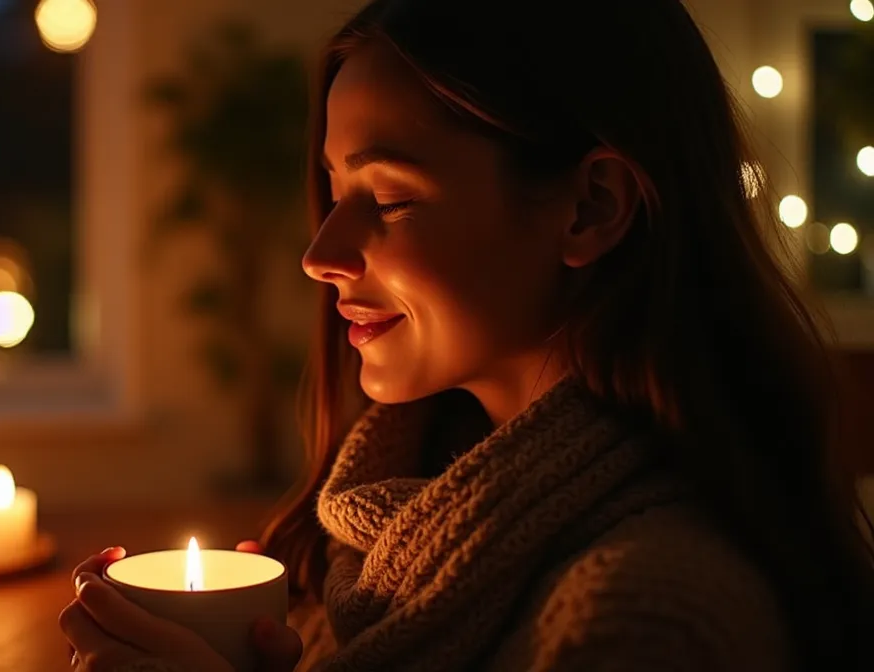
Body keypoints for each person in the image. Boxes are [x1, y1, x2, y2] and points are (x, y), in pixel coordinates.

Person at [58, 0, 874, 669]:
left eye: (392, 197)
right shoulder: (371, 542)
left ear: (591, 207)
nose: (319, 256)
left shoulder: (648, 619)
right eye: (335, 189)